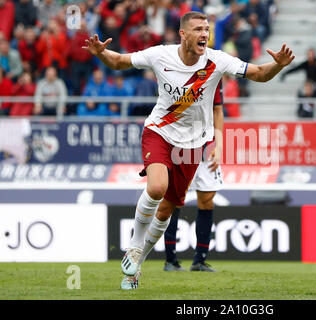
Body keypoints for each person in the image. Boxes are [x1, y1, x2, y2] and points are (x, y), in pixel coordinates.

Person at [82, 11, 294, 290]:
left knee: (167, 208)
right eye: (197, 29)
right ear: (183, 34)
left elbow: (258, 73)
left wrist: (277, 66)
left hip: (193, 145)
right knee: (157, 188)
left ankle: (135, 269)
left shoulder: (217, 60)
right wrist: (101, 53)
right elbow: (120, 62)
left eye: (206, 29)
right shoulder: (161, 55)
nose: (204, 34)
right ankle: (134, 246)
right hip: (159, 132)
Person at [163, 81, 224, 273]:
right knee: (176, 201)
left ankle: (199, 261)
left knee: (207, 200)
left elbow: (217, 110)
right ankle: (170, 260)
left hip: (207, 147)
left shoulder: (215, 72)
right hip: (181, 146)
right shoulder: (175, 68)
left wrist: (220, 146)